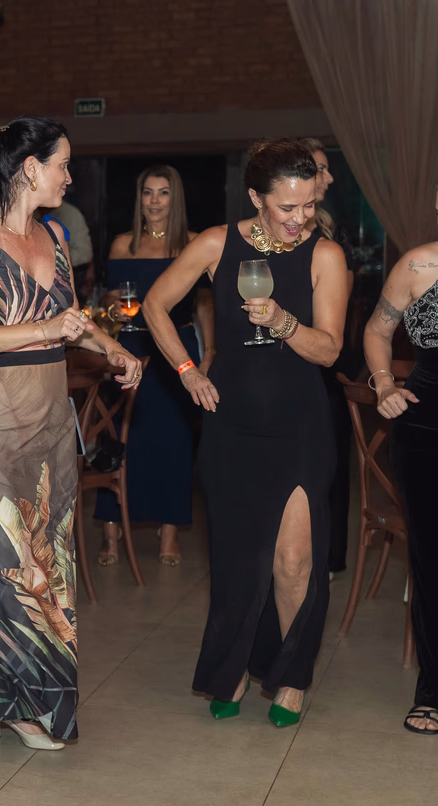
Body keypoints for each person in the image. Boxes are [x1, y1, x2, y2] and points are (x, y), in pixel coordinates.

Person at [0, 117, 140, 753]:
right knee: (6, 565)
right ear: (29, 168)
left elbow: (68, 320)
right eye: (62, 164)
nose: (69, 176)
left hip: (51, 424)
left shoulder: (53, 236)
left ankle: (28, 709)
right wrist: (43, 331)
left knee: (47, 568)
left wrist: (109, 348)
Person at [144, 139, 348, 727]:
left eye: (308, 205)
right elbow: (155, 305)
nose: (300, 218)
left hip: (301, 427)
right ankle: (231, 668)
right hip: (231, 429)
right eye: (287, 207)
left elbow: (329, 351)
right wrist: (187, 370)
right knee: (237, 561)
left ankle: (292, 677)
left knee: (293, 560)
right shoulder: (216, 244)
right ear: (257, 197)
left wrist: (282, 320)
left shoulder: (325, 255)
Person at [96, 165, 214, 567]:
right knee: (119, 436)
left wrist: (209, 353)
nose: (155, 201)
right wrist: (114, 308)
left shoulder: (193, 244)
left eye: (163, 193)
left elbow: (204, 304)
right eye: (148, 192)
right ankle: (110, 531)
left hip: (175, 348)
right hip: (129, 347)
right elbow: (112, 298)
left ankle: (170, 532)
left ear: (174, 199)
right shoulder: (122, 244)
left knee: (174, 440)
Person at [363, 185, 438, 734]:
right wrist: (385, 383)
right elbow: (377, 330)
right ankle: (432, 690)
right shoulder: (417, 265)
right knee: (431, 561)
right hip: (428, 426)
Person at [300, 138, 358, 579]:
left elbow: (337, 308)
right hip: (285, 356)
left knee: (331, 461)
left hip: (327, 361)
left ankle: (329, 556)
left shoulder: (333, 235)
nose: (330, 177)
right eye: (321, 168)